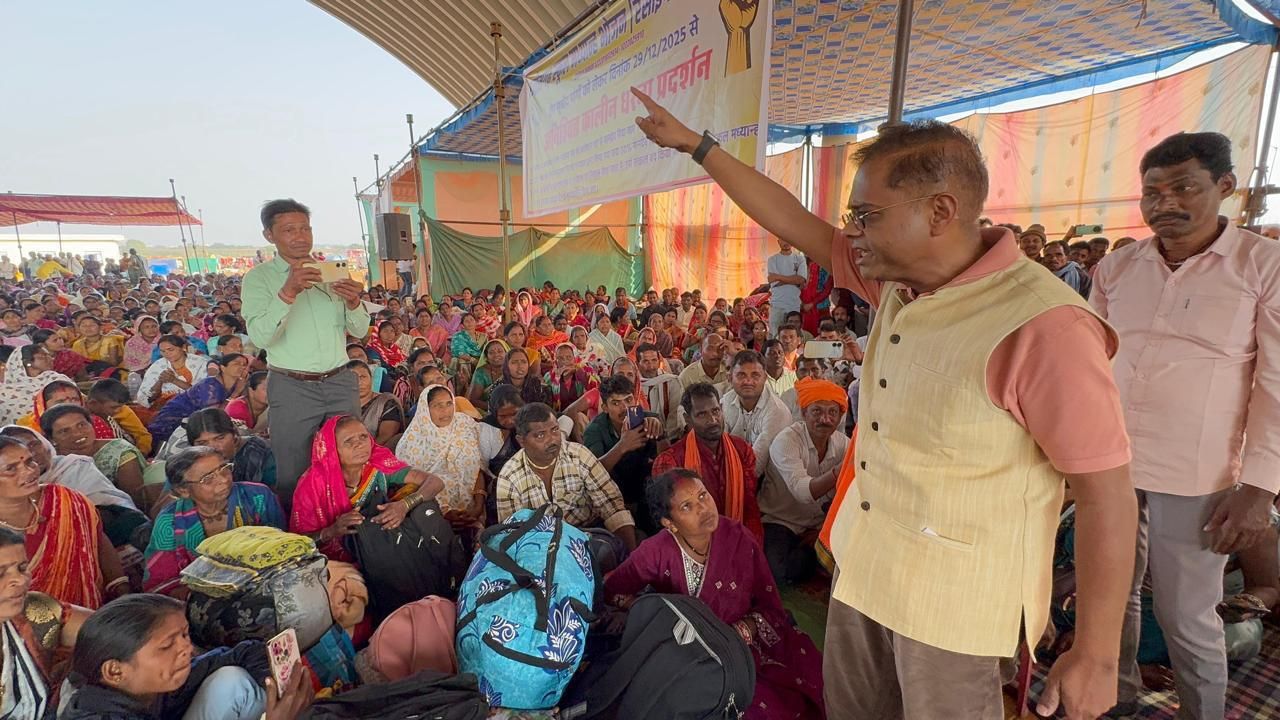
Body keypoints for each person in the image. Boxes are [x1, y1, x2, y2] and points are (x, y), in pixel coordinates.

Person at [632, 91, 1136, 719]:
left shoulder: (1045, 326)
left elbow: (1105, 493)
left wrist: (1098, 655)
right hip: (866, 573)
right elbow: (792, 221)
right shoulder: (897, 282)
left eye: (866, 215)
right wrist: (698, 147)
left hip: (955, 612)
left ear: (940, 212)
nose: (850, 232)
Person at [1092, 132, 1280, 720]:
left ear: (1225, 187)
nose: (1163, 203)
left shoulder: (1262, 265)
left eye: (1183, 188)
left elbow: (1275, 382)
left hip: (1196, 473)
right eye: (1152, 192)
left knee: (1185, 612)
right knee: (1110, 595)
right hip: (1111, 463)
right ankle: (1116, 701)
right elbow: (1088, 364)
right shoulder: (1118, 267)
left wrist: (1259, 486)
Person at [605, 469, 825, 720]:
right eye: (687, 506)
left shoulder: (739, 537)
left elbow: (769, 605)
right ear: (670, 523)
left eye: (703, 495)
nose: (703, 508)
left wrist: (736, 635)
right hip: (688, 651)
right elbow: (614, 590)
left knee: (801, 689)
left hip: (745, 642)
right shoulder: (655, 552)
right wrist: (649, 611)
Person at [243, 199, 368, 508]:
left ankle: (352, 530)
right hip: (292, 386)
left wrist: (354, 302)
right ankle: (303, 540)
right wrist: (288, 292)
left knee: (351, 460)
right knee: (295, 469)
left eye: (305, 228)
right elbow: (261, 337)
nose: (300, 236)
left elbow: (361, 329)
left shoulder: (331, 271)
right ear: (269, 235)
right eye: (289, 230)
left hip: (339, 381)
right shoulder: (259, 279)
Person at [61, 593, 315, 720]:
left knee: (232, 679)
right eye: (167, 644)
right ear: (115, 671)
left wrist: (278, 687)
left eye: (184, 635)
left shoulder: (155, 684)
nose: (185, 648)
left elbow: (246, 651)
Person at [288, 415, 442, 562]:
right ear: (331, 449)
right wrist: (332, 530)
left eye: (363, 437)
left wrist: (404, 505)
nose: (359, 444)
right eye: (349, 441)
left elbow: (435, 481)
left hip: (380, 551)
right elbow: (296, 545)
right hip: (331, 563)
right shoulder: (312, 485)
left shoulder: (378, 466)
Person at [0, 435, 126, 609]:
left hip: (91, 617)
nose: (29, 472)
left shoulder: (64, 500)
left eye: (30, 462)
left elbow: (97, 540)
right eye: (11, 469)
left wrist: (120, 587)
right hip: (20, 629)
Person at [143, 447, 286, 596]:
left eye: (224, 468)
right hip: (198, 596)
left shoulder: (258, 497)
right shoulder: (169, 522)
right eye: (208, 478)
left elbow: (283, 548)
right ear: (183, 490)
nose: (223, 479)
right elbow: (161, 585)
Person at [495, 402, 638, 551]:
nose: (552, 440)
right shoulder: (509, 478)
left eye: (555, 430)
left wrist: (631, 561)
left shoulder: (579, 455)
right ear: (521, 441)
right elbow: (513, 536)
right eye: (540, 435)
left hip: (590, 536)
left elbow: (612, 507)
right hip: (541, 549)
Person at [759, 378, 850, 586]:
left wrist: (823, 529)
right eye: (817, 411)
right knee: (779, 573)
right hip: (780, 520)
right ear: (803, 414)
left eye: (832, 413)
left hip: (819, 523)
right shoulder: (787, 440)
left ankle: (816, 547)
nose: (825, 419)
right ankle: (815, 552)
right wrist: (840, 470)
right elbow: (803, 492)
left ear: (840, 417)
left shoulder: (843, 444)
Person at [652, 382, 763, 543]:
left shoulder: (742, 450)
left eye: (716, 411)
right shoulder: (671, 461)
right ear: (687, 419)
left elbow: (749, 507)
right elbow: (673, 523)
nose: (712, 420)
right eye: (701, 414)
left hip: (738, 538)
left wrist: (751, 548)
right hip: (694, 546)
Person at [0, 525, 91, 719]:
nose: (20, 580)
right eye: (1, 573)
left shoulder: (34, 612)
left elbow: (114, 631)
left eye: (22, 568)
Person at [396, 384, 487, 534]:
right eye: (437, 405)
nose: (445, 411)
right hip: (430, 514)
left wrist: (477, 507)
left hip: (472, 507)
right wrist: (443, 514)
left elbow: (478, 469)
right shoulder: (410, 443)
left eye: (449, 403)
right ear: (425, 409)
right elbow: (409, 490)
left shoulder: (465, 425)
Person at [582, 374, 665, 532]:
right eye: (616, 403)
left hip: (645, 495)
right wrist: (622, 446)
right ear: (605, 407)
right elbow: (591, 473)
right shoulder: (594, 430)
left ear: (635, 400)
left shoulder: (650, 421)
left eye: (628, 400)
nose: (625, 408)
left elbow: (666, 464)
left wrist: (661, 436)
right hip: (611, 498)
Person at [0, 425, 135, 511]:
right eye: (11, 468)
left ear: (45, 444)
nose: (34, 453)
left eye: (34, 444)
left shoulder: (74, 465)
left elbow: (115, 505)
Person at [44, 405, 147, 508]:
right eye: (64, 431)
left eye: (81, 425)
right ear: (51, 439)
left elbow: (136, 500)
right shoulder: (51, 463)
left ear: (92, 425)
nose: (77, 433)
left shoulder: (118, 451)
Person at [146, 354, 249, 444]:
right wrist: (235, 393)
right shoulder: (210, 385)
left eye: (244, 364)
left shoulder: (238, 384)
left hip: (197, 422)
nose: (242, 367)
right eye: (236, 364)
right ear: (222, 367)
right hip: (176, 419)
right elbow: (213, 414)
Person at [186, 408, 277, 489]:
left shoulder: (260, 454)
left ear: (234, 434)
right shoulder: (190, 464)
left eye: (220, 438)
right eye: (202, 443)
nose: (213, 448)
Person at [0, 345, 72, 426]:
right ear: (28, 362)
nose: (50, 359)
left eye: (49, 356)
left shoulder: (55, 378)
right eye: (43, 356)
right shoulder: (4, 391)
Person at [85, 378, 154, 455]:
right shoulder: (80, 417)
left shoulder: (123, 410)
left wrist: (140, 456)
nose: (118, 410)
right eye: (113, 407)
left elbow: (142, 435)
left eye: (120, 406)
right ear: (93, 403)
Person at [137, 335, 208, 409]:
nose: (167, 354)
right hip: (164, 406)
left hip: (191, 406)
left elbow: (201, 394)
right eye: (163, 351)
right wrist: (160, 381)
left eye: (171, 350)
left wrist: (174, 380)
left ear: (183, 347)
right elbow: (148, 398)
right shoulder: (158, 365)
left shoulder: (200, 363)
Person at [346, 360, 405, 449]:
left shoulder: (386, 402)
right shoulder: (340, 406)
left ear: (371, 378)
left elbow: (386, 436)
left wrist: (363, 452)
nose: (359, 382)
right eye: (353, 378)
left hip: (376, 454)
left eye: (363, 377)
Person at [636, 342, 685, 439]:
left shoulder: (671, 381)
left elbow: (675, 414)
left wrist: (664, 437)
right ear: (637, 364)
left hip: (668, 437)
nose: (651, 366)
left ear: (659, 361)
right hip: (639, 438)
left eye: (654, 360)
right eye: (645, 361)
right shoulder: (634, 383)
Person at [766, 240, 807, 336]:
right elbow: (774, 282)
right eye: (782, 240)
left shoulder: (800, 258)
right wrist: (794, 279)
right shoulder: (772, 259)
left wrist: (778, 277)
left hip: (794, 304)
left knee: (794, 335)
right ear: (778, 242)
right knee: (775, 335)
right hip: (777, 304)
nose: (785, 242)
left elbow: (801, 280)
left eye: (787, 239)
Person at [546, 342, 598, 413]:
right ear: (555, 360)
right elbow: (547, 403)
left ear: (575, 358)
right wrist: (557, 377)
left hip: (584, 417)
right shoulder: (549, 376)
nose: (564, 361)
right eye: (560, 358)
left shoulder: (586, 370)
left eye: (569, 357)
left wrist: (578, 372)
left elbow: (596, 389)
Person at [467, 338, 510, 411]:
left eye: (500, 351)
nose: (496, 355)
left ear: (506, 353)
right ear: (486, 357)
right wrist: (496, 409)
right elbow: (473, 400)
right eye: (491, 352)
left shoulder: (512, 369)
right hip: (487, 410)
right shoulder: (481, 372)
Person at [225, 370, 269, 435]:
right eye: (266, 389)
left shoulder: (274, 407)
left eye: (274, 388)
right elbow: (240, 438)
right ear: (251, 390)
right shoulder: (236, 408)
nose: (272, 392)